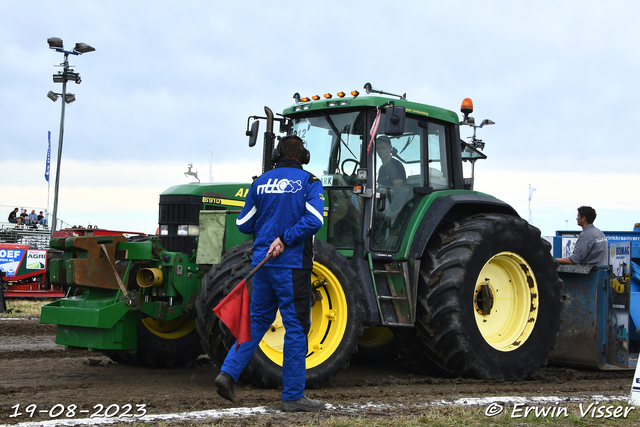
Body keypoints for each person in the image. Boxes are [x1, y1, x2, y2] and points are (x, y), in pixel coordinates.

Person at [214, 135, 326, 412]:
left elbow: (242, 223)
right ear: (304, 157)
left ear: (277, 154)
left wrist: (268, 227)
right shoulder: (309, 182)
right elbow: (315, 219)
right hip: (292, 266)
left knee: (256, 322)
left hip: (262, 265)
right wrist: (286, 237)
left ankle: (228, 373)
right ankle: (293, 396)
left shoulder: (260, 183)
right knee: (297, 328)